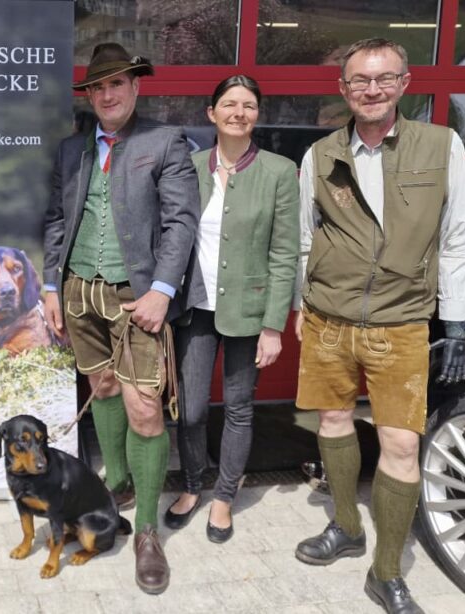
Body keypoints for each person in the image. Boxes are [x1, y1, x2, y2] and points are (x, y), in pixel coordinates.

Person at [292, 38, 465, 613]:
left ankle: (387, 570)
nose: (371, 90)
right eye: (359, 81)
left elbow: (457, 240)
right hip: (328, 318)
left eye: (383, 79)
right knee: (332, 422)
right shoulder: (320, 155)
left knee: (400, 441)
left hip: (400, 324)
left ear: (404, 83)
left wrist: (458, 323)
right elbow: (304, 239)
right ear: (343, 89)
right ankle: (346, 526)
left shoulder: (440, 145)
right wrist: (301, 308)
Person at [42, 42, 201, 594]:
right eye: (97, 87)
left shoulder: (165, 141)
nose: (107, 94)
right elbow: (58, 220)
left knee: (144, 410)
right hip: (80, 293)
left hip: (138, 299)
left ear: (135, 88)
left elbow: (182, 222)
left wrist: (161, 289)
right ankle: (118, 484)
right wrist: (50, 286)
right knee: (102, 388)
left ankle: (149, 532)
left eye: (117, 84)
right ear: (88, 96)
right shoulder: (72, 150)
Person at [164, 76, 299, 543]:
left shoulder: (280, 172)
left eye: (248, 105)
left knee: (239, 408)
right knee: (192, 409)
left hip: (249, 307)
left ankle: (223, 497)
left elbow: (284, 254)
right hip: (196, 307)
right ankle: (192, 484)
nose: (238, 112)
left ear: (257, 114)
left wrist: (273, 326)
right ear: (211, 113)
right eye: (229, 104)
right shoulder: (189, 166)